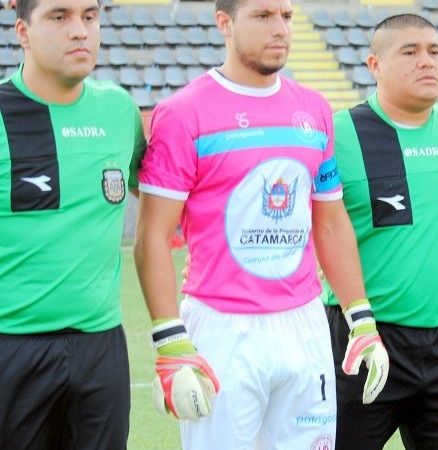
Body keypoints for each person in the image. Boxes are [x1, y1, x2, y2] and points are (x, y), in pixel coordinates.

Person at [133, 0, 389, 448]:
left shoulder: (313, 109)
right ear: (225, 23)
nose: (280, 29)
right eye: (264, 16)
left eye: (287, 17)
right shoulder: (182, 112)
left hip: (304, 323)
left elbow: (329, 222)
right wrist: (170, 339)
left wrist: (361, 318)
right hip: (221, 328)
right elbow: (153, 234)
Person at [322, 13, 438, 450]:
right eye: (409, 52)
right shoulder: (338, 133)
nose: (426, 61)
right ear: (375, 65)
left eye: (434, 51)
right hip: (363, 338)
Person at [0, 0, 146, 446]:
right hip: (12, 348)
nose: (80, 30)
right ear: (23, 31)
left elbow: (161, 197)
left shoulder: (120, 111)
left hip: (101, 347)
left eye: (89, 16)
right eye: (59, 17)